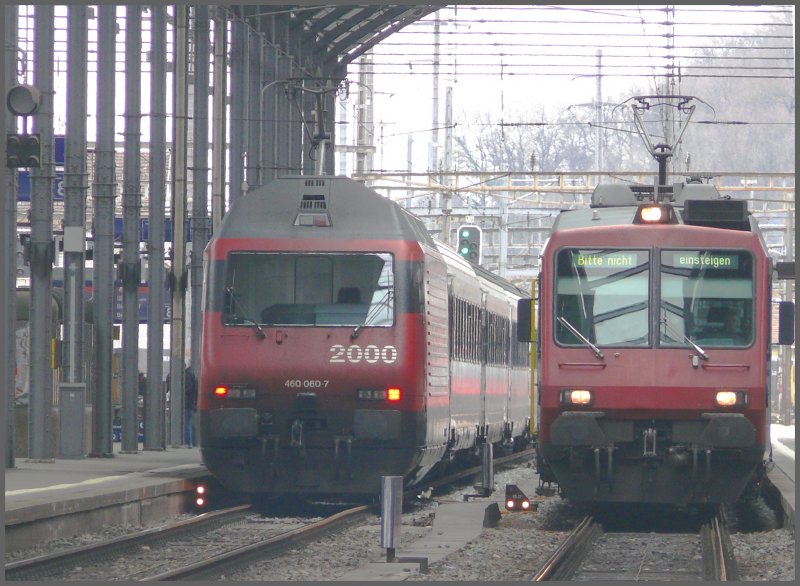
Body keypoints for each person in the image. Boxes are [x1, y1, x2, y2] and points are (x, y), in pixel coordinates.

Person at [184, 366, 198, 448]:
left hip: (187, 403)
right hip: (191, 403)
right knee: (188, 422)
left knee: (186, 423)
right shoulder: (192, 375)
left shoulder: (186, 376)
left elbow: (188, 389)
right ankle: (190, 442)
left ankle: (188, 442)